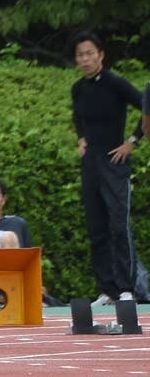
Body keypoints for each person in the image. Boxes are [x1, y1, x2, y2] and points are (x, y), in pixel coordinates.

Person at [70, 30, 143, 306]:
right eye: (80, 55)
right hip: (91, 162)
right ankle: (106, 289)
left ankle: (126, 288)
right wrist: (81, 139)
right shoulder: (78, 88)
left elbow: (145, 106)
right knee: (96, 226)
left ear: (101, 54)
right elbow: (78, 115)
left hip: (115, 161)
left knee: (118, 224)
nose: (85, 59)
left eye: (90, 53)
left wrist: (131, 142)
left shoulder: (116, 83)